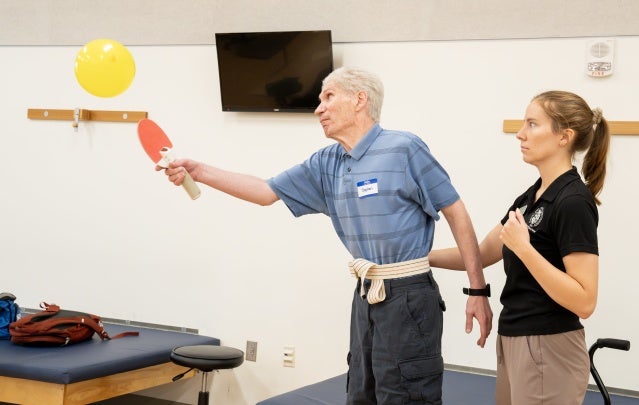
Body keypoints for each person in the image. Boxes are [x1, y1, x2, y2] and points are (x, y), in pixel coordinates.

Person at [160, 66, 492, 404]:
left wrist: (477, 290)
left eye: (328, 97)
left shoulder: (404, 148)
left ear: (360, 99)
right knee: (361, 392)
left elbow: (456, 212)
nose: (319, 108)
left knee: (406, 395)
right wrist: (199, 172)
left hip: (408, 295)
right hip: (365, 293)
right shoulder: (326, 163)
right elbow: (264, 191)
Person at [429, 90, 610, 404]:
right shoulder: (532, 196)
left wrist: (525, 250)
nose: (520, 134)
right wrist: (415, 258)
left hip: (549, 345)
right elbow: (482, 252)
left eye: (532, 124)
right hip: (514, 338)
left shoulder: (573, 202)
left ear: (564, 137)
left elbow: (584, 301)